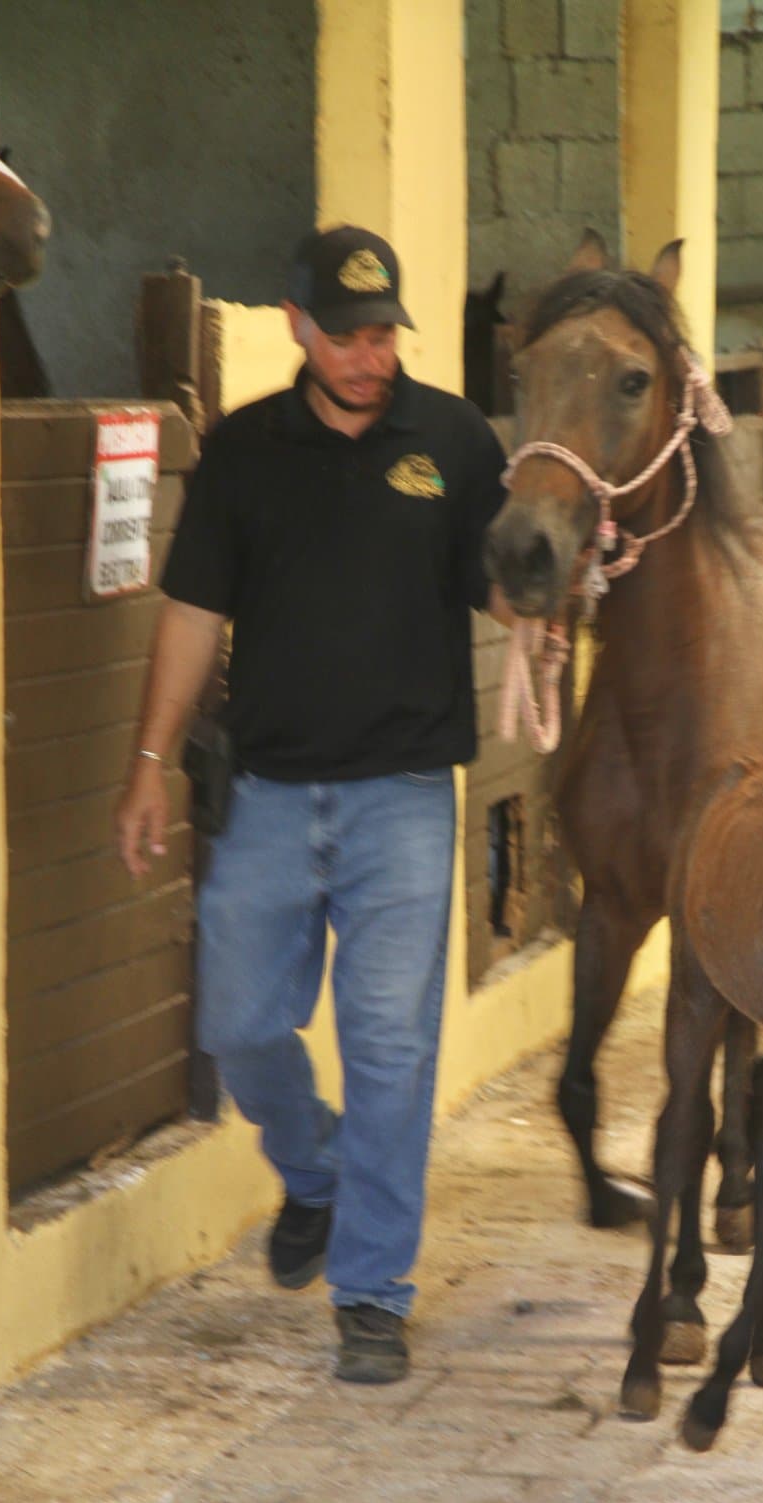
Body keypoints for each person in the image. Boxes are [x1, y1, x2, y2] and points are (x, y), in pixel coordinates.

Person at [115, 224, 509, 1386]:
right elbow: (191, 613)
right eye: (345, 335)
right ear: (296, 326)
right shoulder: (243, 452)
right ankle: (316, 1168)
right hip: (275, 793)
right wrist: (147, 757)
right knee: (237, 1021)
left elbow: (499, 576)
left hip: (401, 798)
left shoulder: (452, 438)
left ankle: (373, 1293)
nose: (367, 354)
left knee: (390, 1045)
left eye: (383, 331)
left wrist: (545, 591)